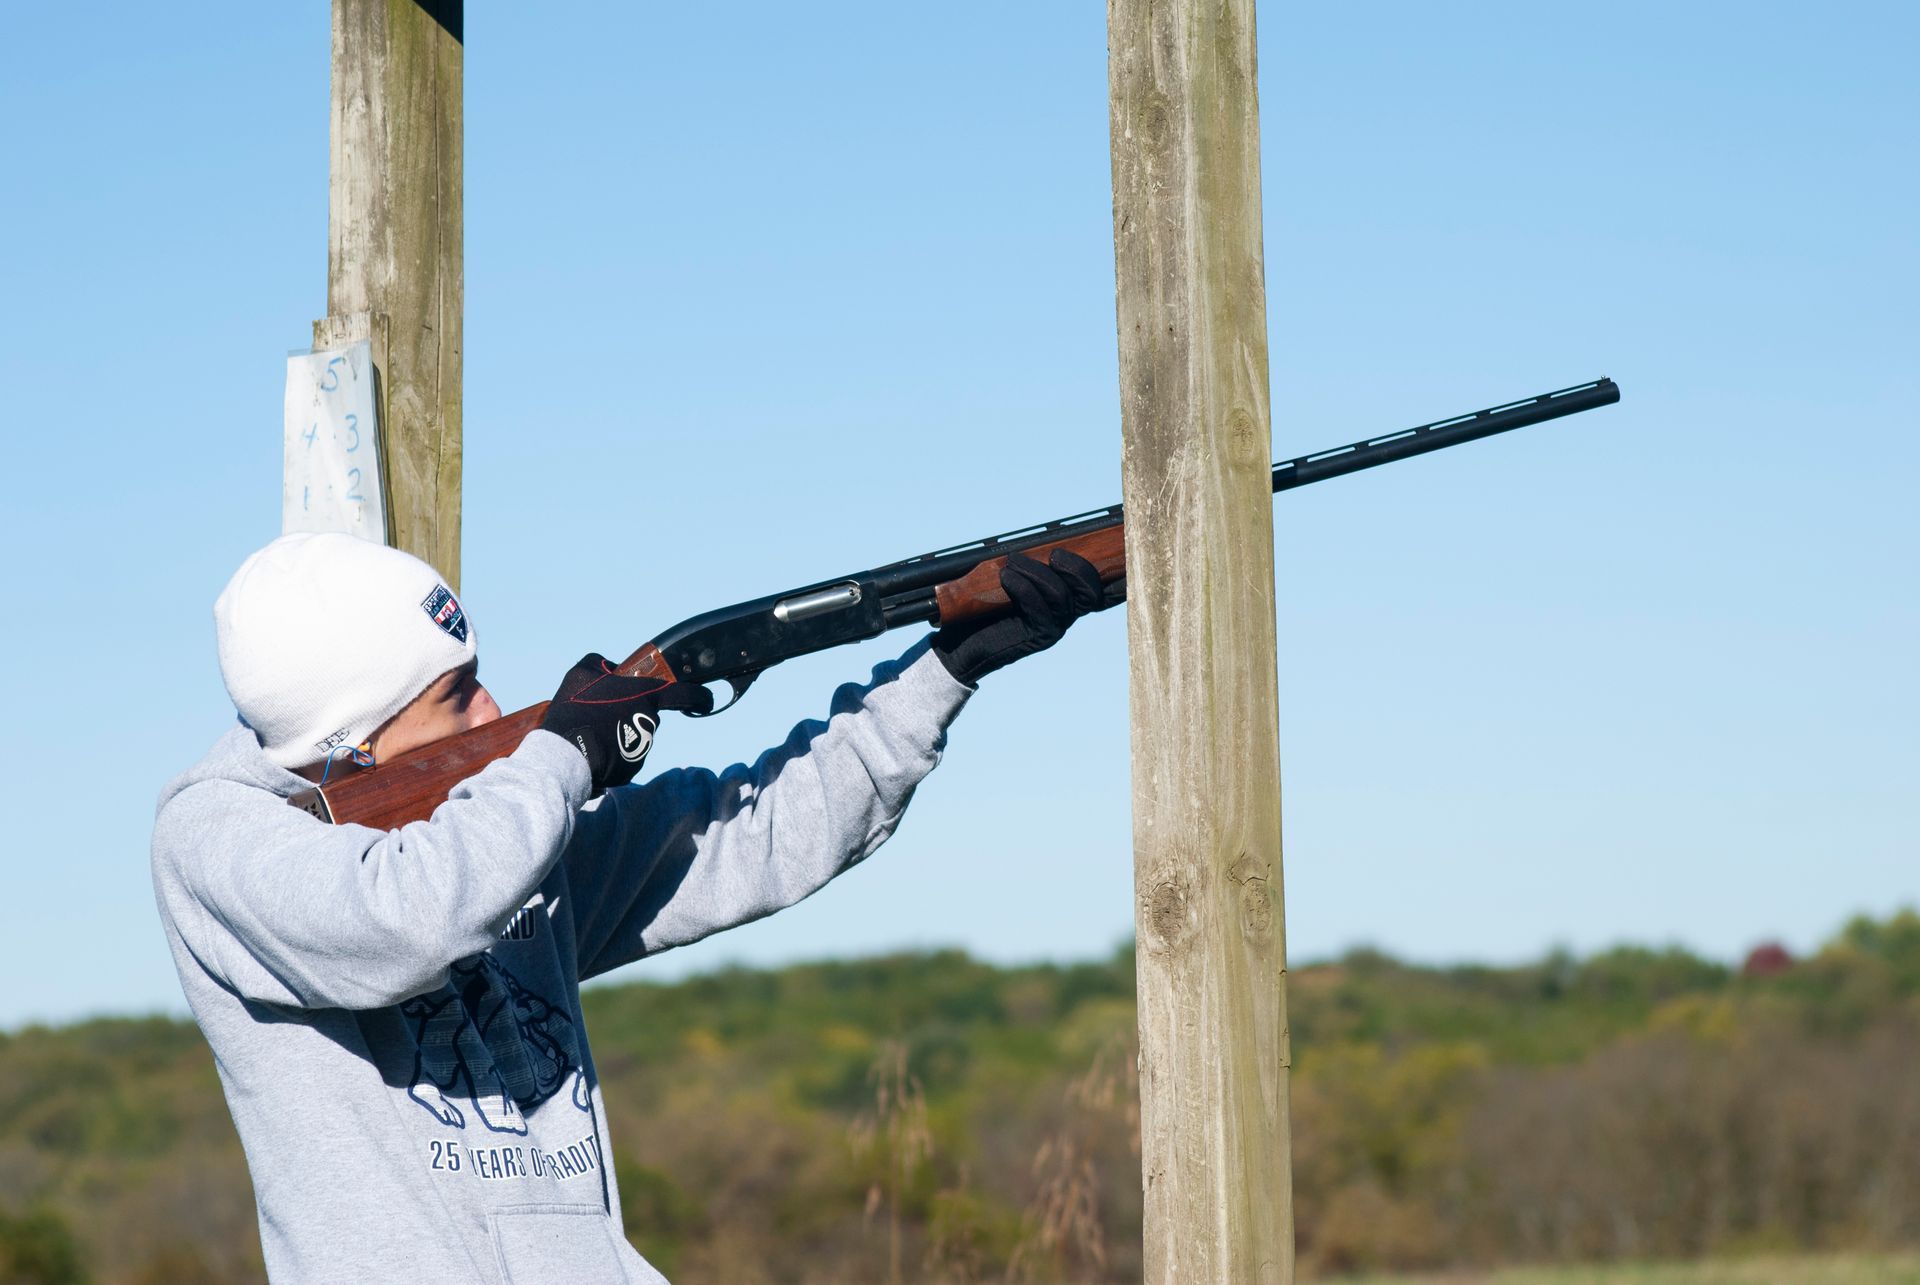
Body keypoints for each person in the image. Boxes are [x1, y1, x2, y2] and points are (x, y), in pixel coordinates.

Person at [150, 530, 1110, 1284]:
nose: (493, 717)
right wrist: (564, 753)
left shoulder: (504, 825)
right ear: (349, 743)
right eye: (455, 694)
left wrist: (944, 671)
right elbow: (409, 920)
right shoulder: (216, 843)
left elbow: (760, 832)